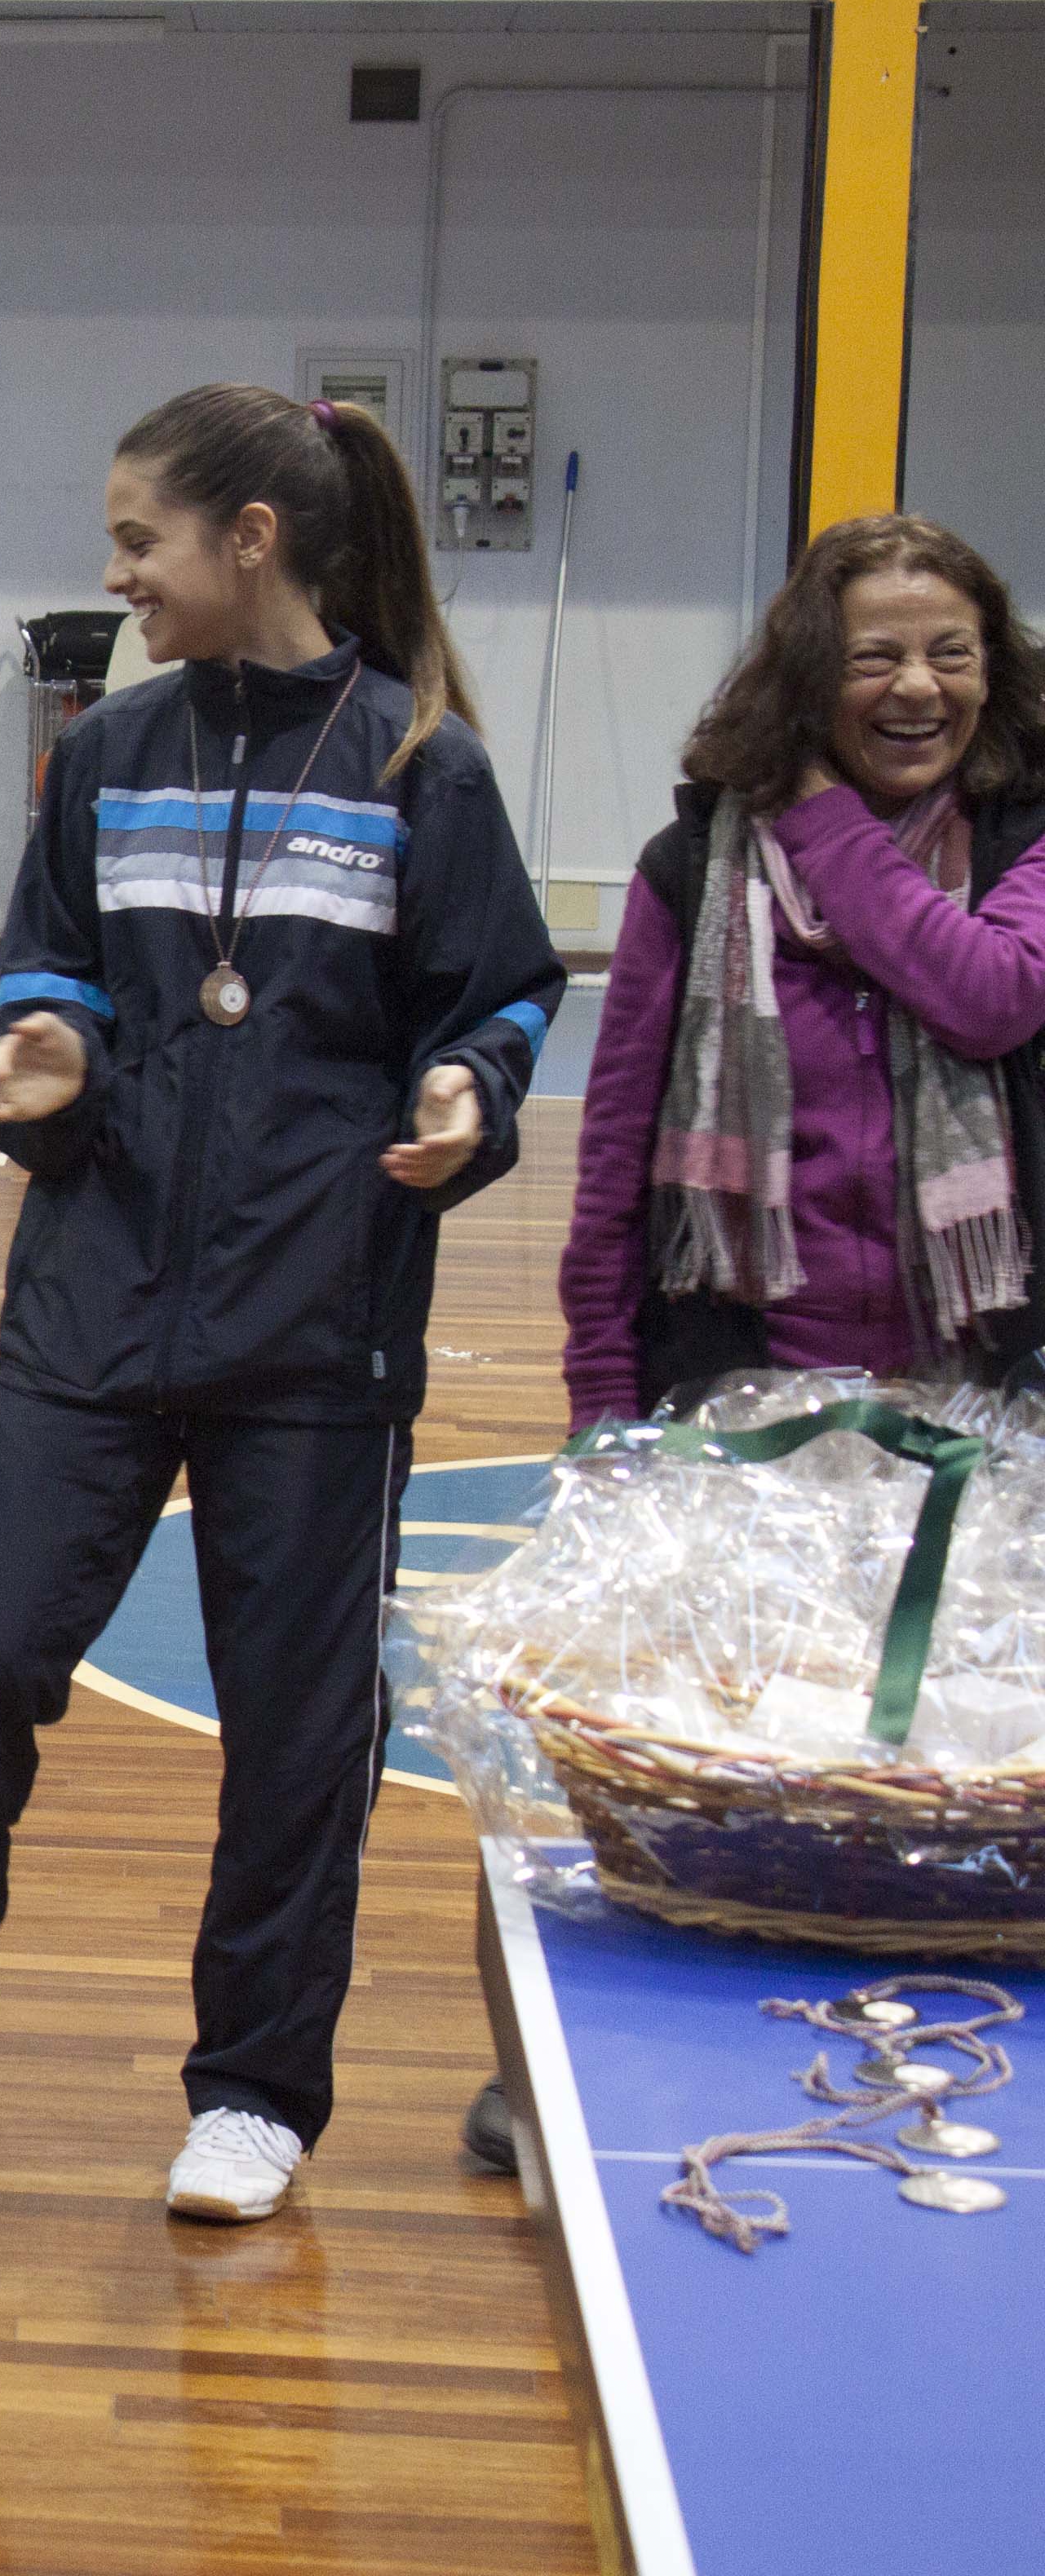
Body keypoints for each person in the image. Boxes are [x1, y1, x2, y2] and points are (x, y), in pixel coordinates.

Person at [0, 384, 564, 2225]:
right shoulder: (109, 749)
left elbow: (499, 997)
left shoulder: (420, 766)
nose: (115, 571)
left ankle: (255, 2092)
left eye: (139, 537)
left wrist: (467, 1096)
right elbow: (50, 965)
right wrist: (48, 1050)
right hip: (94, 1298)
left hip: (320, 1324)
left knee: (301, 1727)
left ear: (251, 540)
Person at [464, 516, 1045, 2176]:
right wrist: (600, 1408)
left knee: (945, 1773)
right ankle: (610, 2092)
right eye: (875, 655)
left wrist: (814, 820)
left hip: (977, 1407)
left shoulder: (1023, 835)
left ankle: (927, 2061)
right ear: (810, 673)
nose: (918, 685)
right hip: (745, 1410)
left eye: (950, 650)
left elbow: (991, 998)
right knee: (735, 1758)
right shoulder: (684, 875)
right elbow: (620, 1149)